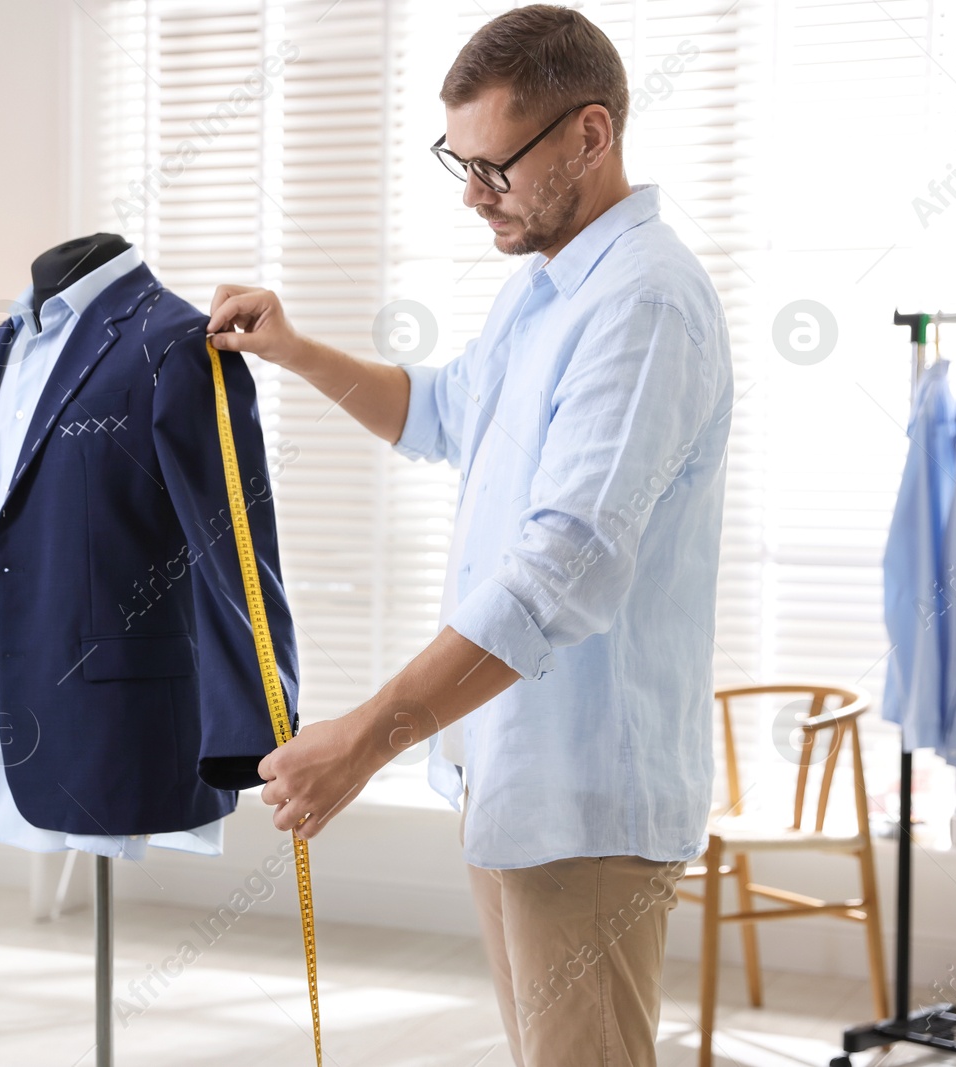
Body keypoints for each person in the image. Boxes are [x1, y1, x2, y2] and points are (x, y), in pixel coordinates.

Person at [205, 6, 733, 1065]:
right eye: (460, 161)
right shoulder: (545, 289)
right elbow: (444, 411)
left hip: (583, 799)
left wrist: (367, 736)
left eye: (494, 166)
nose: (471, 194)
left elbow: (562, 569)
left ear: (591, 135)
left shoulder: (641, 305)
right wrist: (298, 350)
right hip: (514, 775)